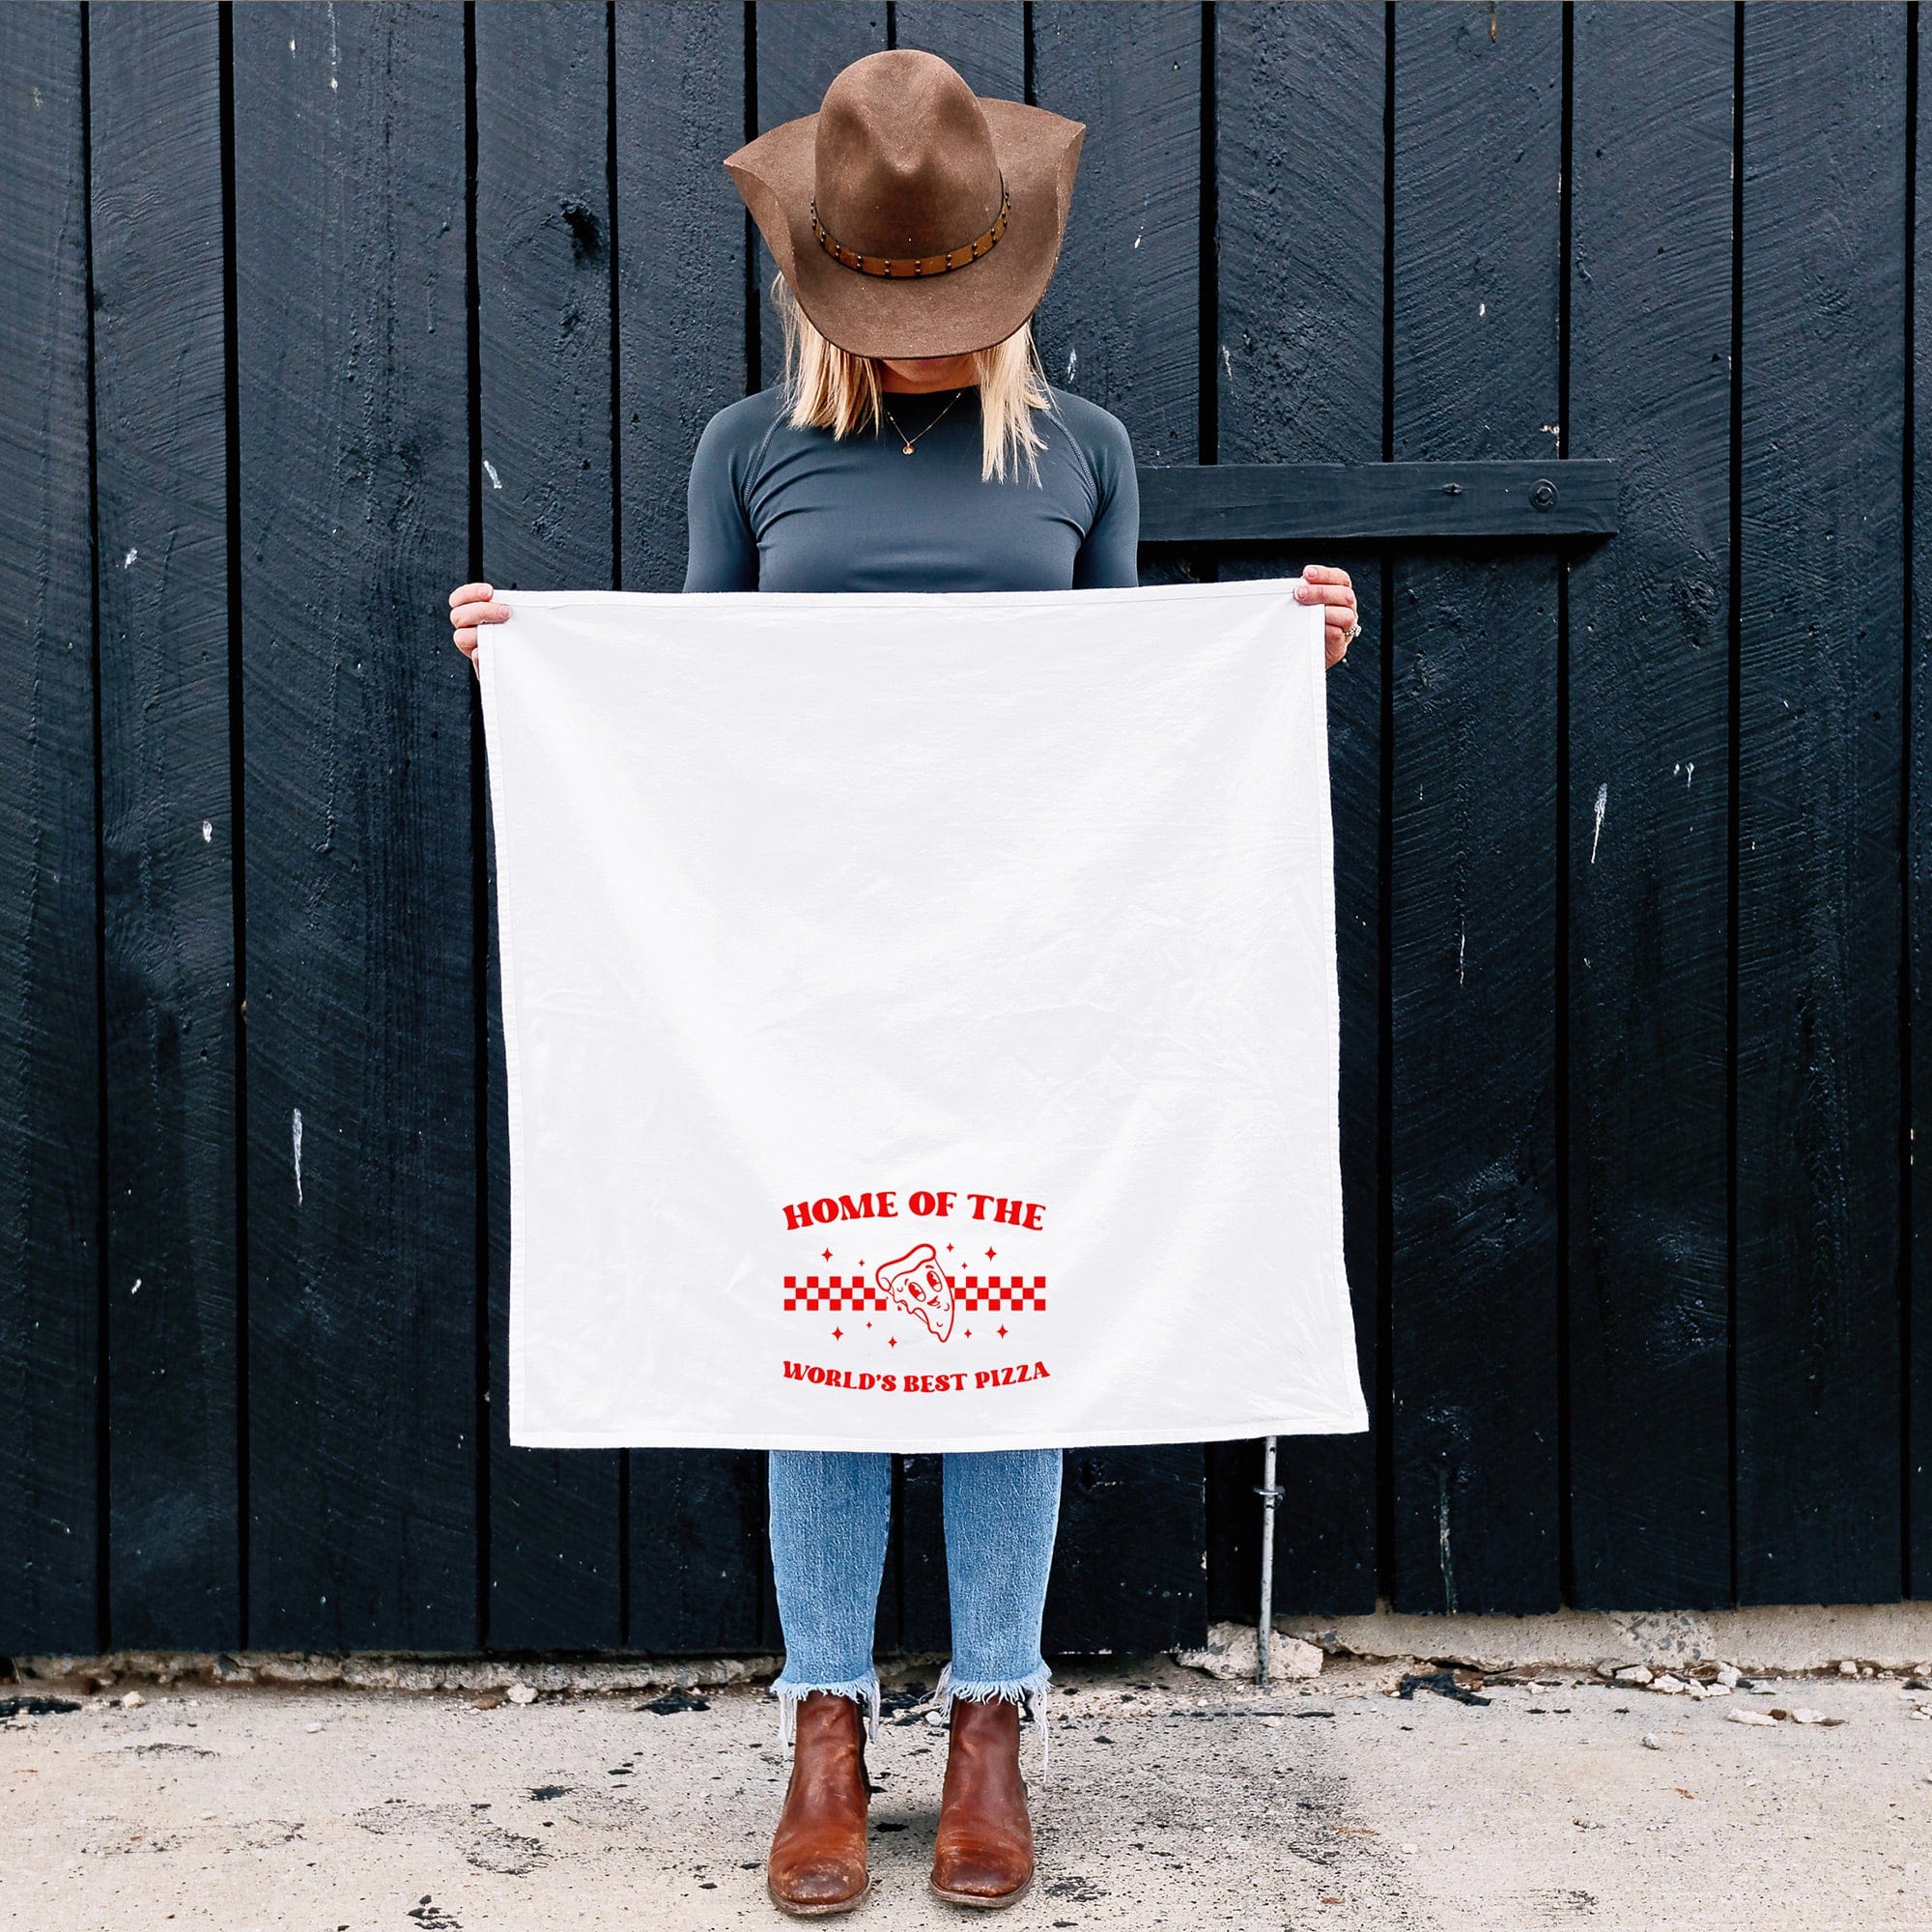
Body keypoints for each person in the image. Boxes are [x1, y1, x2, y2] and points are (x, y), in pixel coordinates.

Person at [449, 46, 1359, 1919]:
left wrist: (1277, 655)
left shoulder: (1080, 453)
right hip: (805, 975)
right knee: (828, 1336)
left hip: (1028, 968)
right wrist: (541, 670)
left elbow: (1130, 725)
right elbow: (693, 726)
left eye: (956, 299)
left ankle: (995, 1719)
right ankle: (822, 1718)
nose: (931, 337)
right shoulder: (748, 452)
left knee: (1005, 1322)